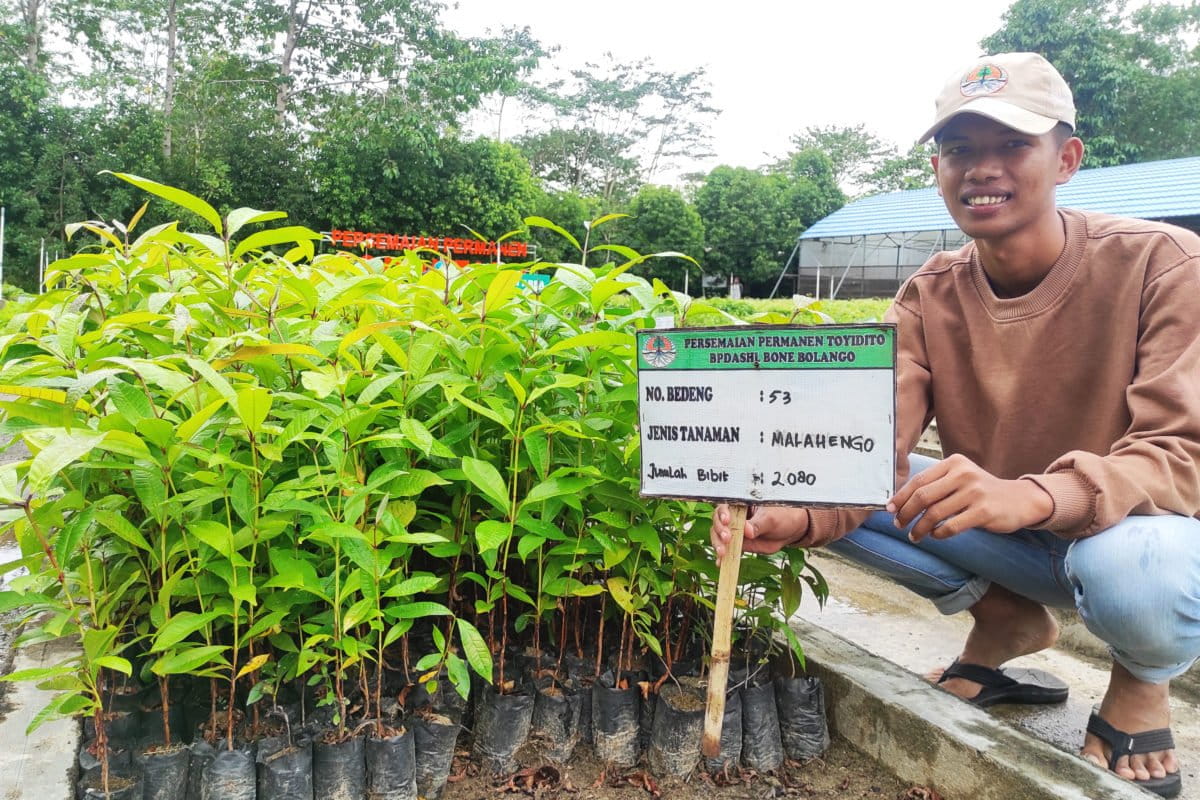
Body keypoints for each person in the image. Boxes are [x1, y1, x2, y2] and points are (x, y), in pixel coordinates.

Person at [711, 52, 1200, 799]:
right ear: (938, 168)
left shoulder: (1165, 264)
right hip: (1015, 542)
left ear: (1066, 158)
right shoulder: (926, 297)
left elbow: (1180, 454)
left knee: (1138, 568)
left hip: (1130, 539)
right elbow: (871, 443)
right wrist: (800, 513)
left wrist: (1035, 497)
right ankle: (1005, 622)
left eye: (1011, 144)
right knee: (855, 480)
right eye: (959, 149)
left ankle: (1141, 678)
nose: (981, 168)